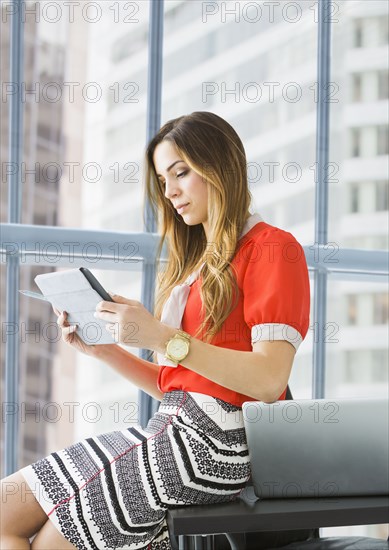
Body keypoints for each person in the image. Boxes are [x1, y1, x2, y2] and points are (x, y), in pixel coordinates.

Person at [0, 111, 311, 550]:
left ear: (220, 165)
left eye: (181, 173)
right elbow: (177, 385)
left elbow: (268, 380)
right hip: (172, 425)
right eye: (164, 180)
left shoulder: (273, 248)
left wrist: (160, 337)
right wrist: (105, 351)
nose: (170, 192)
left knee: (54, 541)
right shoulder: (196, 268)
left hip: (216, 444)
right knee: (4, 512)